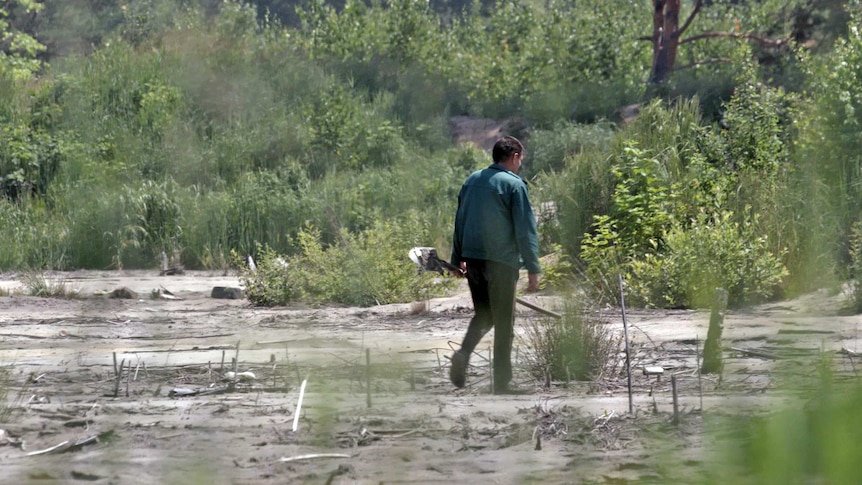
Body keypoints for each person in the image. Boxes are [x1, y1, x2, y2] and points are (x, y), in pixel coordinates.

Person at [449, 135, 541, 394]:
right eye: (520, 159)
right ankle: (502, 382)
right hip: (501, 263)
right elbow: (525, 230)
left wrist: (457, 260)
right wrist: (533, 267)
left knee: (485, 314)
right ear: (514, 157)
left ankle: (464, 354)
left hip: (473, 260)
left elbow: (460, 221)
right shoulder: (514, 185)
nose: (520, 164)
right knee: (504, 322)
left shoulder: (471, 181)